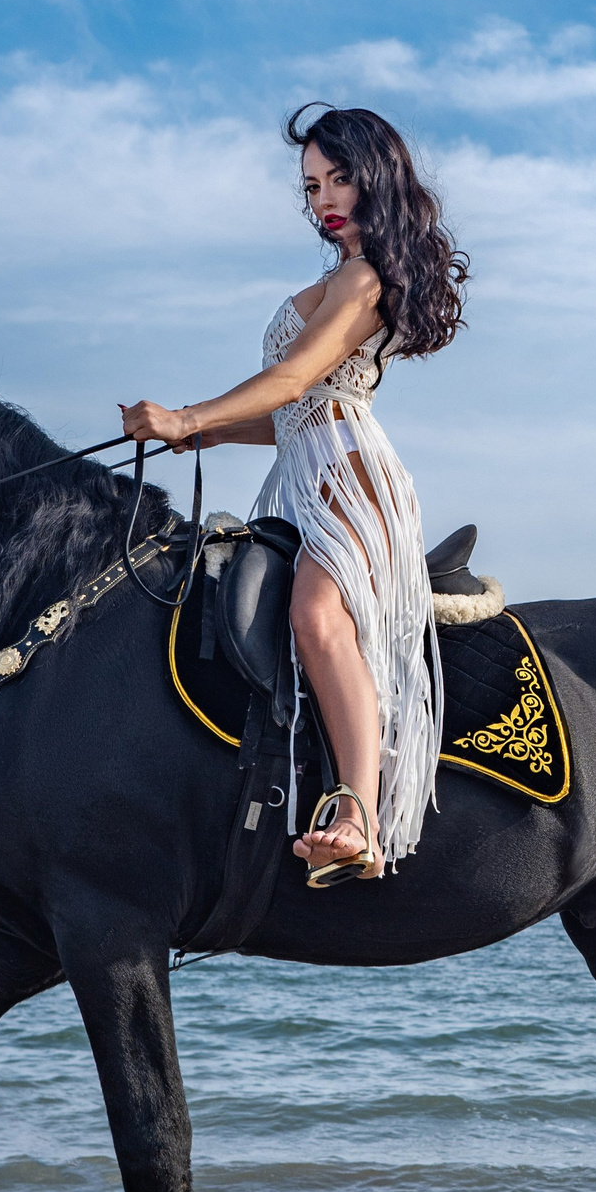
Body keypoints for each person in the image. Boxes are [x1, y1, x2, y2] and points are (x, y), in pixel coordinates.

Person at [121, 104, 469, 886]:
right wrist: (205, 436)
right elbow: (291, 413)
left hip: (348, 478)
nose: (324, 199)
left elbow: (292, 381)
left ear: (378, 177)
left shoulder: (363, 278)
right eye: (312, 186)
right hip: (308, 473)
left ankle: (359, 818)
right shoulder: (342, 276)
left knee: (316, 618)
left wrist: (189, 416)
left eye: (339, 178)